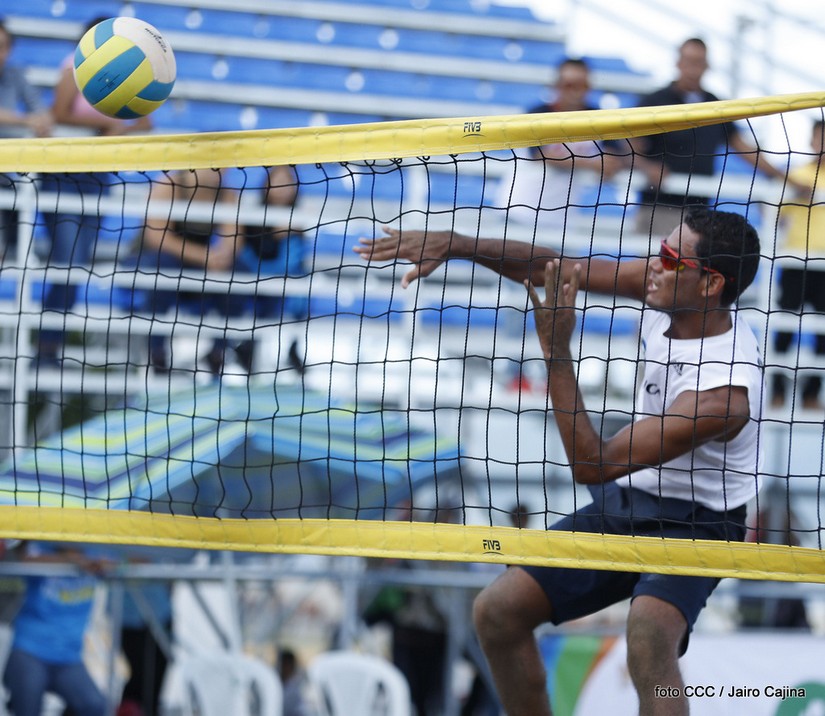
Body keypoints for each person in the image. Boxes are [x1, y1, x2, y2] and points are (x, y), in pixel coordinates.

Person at [355, 205, 763, 715]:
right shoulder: (665, 288)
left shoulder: (723, 397)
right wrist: (455, 243)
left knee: (648, 638)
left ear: (710, 284)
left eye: (670, 257)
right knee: (497, 611)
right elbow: (553, 266)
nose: (654, 264)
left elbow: (593, 466)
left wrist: (555, 352)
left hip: (701, 523)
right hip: (635, 500)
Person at [37, 16, 152, 366]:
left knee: (77, 261)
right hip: (64, 173)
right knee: (68, 259)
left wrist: (120, 129)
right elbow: (58, 114)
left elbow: (144, 124)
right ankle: (46, 345)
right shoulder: (74, 66)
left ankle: (48, 344)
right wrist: (109, 124)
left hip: (98, 175)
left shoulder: (129, 77)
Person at [632, 38, 787, 238]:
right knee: (655, 267)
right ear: (678, 62)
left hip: (699, 214)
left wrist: (785, 177)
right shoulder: (653, 102)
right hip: (659, 208)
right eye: (688, 61)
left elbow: (744, 148)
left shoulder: (716, 106)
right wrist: (647, 167)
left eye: (698, 62)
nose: (693, 69)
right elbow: (628, 148)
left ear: (707, 66)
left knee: (693, 268)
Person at [126, 167, 245, 375]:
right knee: (162, 270)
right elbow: (157, 239)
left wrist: (221, 258)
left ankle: (219, 352)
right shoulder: (168, 185)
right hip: (150, 259)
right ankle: (157, 352)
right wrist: (206, 257)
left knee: (239, 273)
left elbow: (233, 239)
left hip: (196, 264)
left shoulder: (226, 193)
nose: (221, 170)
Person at [498, 58, 622, 233]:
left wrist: (605, 164)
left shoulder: (598, 119)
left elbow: (615, 158)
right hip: (520, 212)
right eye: (569, 85)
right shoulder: (538, 114)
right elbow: (542, 154)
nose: (575, 92)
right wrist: (593, 163)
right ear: (557, 86)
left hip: (561, 222)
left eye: (581, 85)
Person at [3, 541, 111, 716]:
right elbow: (25, 559)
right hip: (30, 652)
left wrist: (107, 563)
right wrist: (72, 561)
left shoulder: (96, 550)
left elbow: (126, 561)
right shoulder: (41, 547)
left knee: (95, 705)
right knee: (27, 709)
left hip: (69, 658)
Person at [771, 118, 825, 411]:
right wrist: (794, 192)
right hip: (796, 261)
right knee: (784, 329)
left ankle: (811, 396)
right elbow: (773, 212)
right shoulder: (796, 176)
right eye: (821, 138)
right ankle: (778, 391)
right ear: (811, 140)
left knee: (823, 335)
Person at [234, 164, 307, 375]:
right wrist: (273, 236)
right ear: (266, 185)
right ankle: (246, 347)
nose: (284, 188)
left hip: (282, 281)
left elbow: (294, 261)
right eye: (279, 181)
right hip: (254, 279)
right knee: (262, 297)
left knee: (301, 290)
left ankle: (293, 347)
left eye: (288, 183)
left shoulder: (297, 222)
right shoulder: (252, 217)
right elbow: (245, 256)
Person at [0, 20, 53, 259]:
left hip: (9, 176)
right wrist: (25, 121)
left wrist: (40, 123)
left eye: (2, 46)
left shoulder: (15, 74)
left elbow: (41, 114)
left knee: (17, 251)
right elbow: (28, 118)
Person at [277, 647, 312, 716]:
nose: (285, 668)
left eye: (287, 664)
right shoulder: (277, 684)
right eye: (283, 665)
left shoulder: (299, 686)